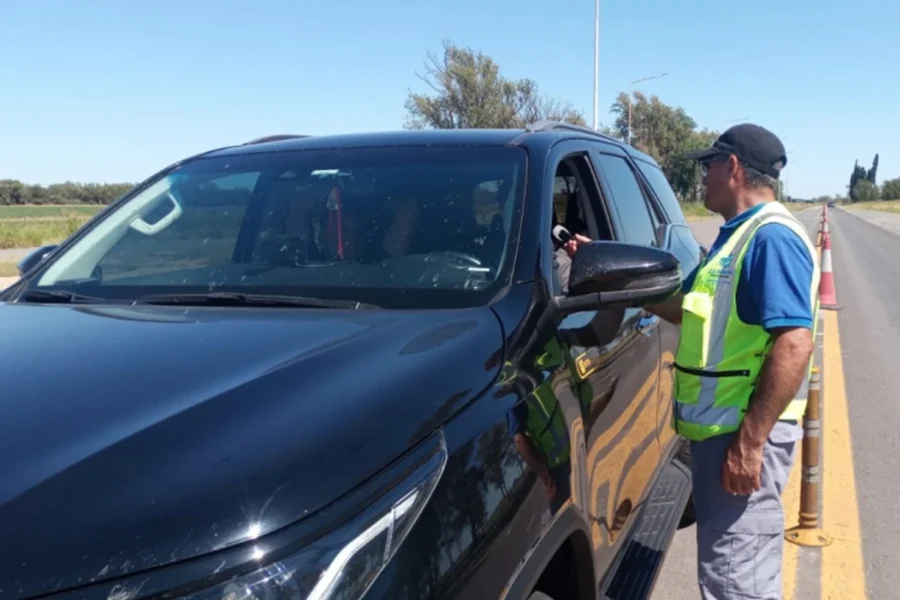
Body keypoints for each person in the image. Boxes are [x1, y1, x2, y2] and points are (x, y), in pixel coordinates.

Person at [565, 123, 819, 599]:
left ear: (734, 168)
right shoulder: (735, 237)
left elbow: (794, 344)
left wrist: (750, 441)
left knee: (735, 582)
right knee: (728, 573)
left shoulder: (771, 238)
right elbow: (685, 307)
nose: (702, 178)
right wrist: (611, 272)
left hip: (740, 438)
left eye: (709, 166)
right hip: (718, 436)